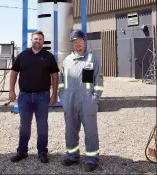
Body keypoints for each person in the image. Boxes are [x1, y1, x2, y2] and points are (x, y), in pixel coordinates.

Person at [9, 31, 59, 163]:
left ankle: (42, 152)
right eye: (35, 38)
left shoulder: (48, 57)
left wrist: (54, 94)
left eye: (40, 39)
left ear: (43, 41)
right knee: (24, 125)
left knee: (42, 126)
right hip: (24, 97)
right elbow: (14, 73)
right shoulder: (23, 55)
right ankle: (22, 151)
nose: (38, 41)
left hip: (42, 97)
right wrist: (11, 91)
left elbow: (55, 75)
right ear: (31, 40)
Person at [58, 29, 103, 172]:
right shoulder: (67, 60)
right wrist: (63, 96)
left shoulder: (93, 59)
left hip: (87, 100)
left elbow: (99, 81)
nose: (78, 44)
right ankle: (72, 156)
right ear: (72, 44)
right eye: (75, 42)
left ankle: (91, 159)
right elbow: (61, 81)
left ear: (85, 41)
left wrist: (94, 98)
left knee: (90, 131)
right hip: (70, 100)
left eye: (80, 41)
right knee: (70, 130)